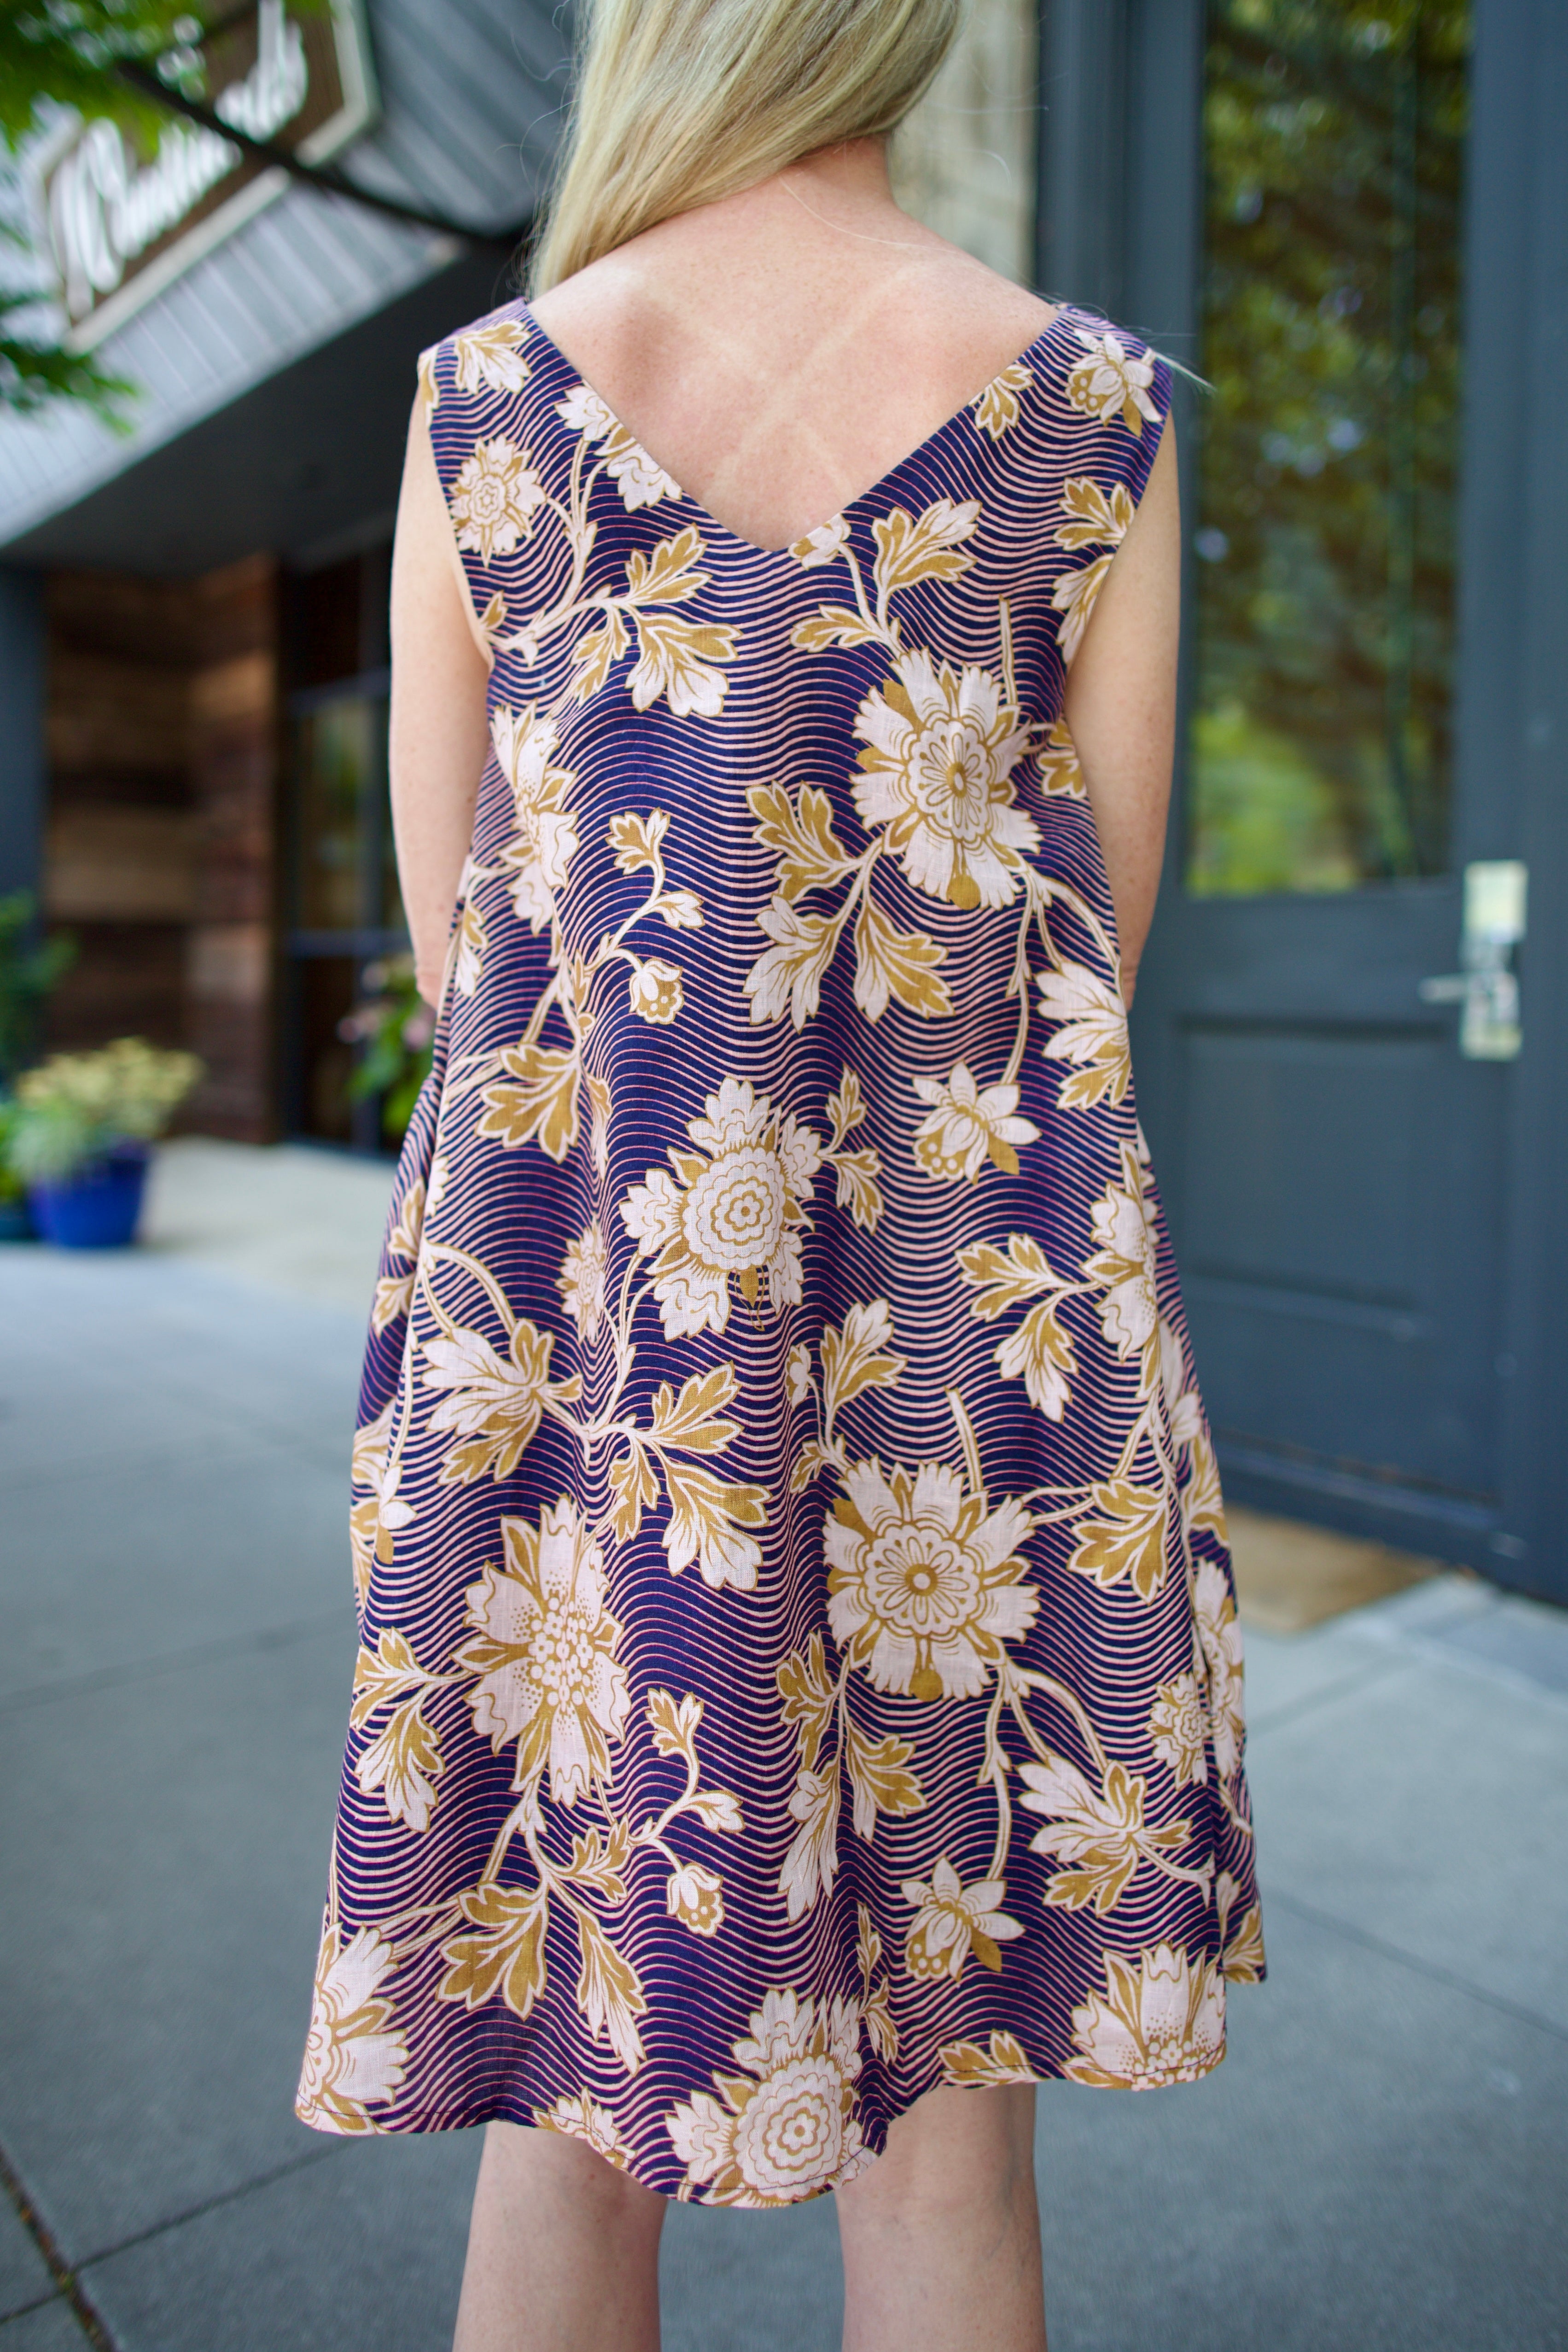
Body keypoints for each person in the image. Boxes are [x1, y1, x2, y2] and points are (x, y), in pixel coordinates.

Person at [296, 3, 1265, 2345]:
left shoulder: (489, 404)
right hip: (976, 1388)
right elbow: (1082, 957)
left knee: (561, 2152)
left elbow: (477, 967)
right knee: (950, 2181)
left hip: (586, 1399)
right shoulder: (1094, 412)